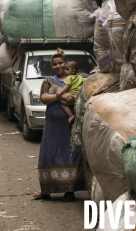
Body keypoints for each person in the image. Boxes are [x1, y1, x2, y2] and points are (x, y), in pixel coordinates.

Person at [33, 48, 87, 201]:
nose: (58, 66)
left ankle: (70, 190)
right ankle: (46, 190)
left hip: (71, 124)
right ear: (52, 66)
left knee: (71, 154)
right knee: (49, 154)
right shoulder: (48, 81)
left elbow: (84, 97)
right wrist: (60, 95)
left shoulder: (77, 79)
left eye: (61, 63)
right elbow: (44, 98)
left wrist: (73, 97)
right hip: (53, 125)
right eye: (55, 64)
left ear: (66, 64)